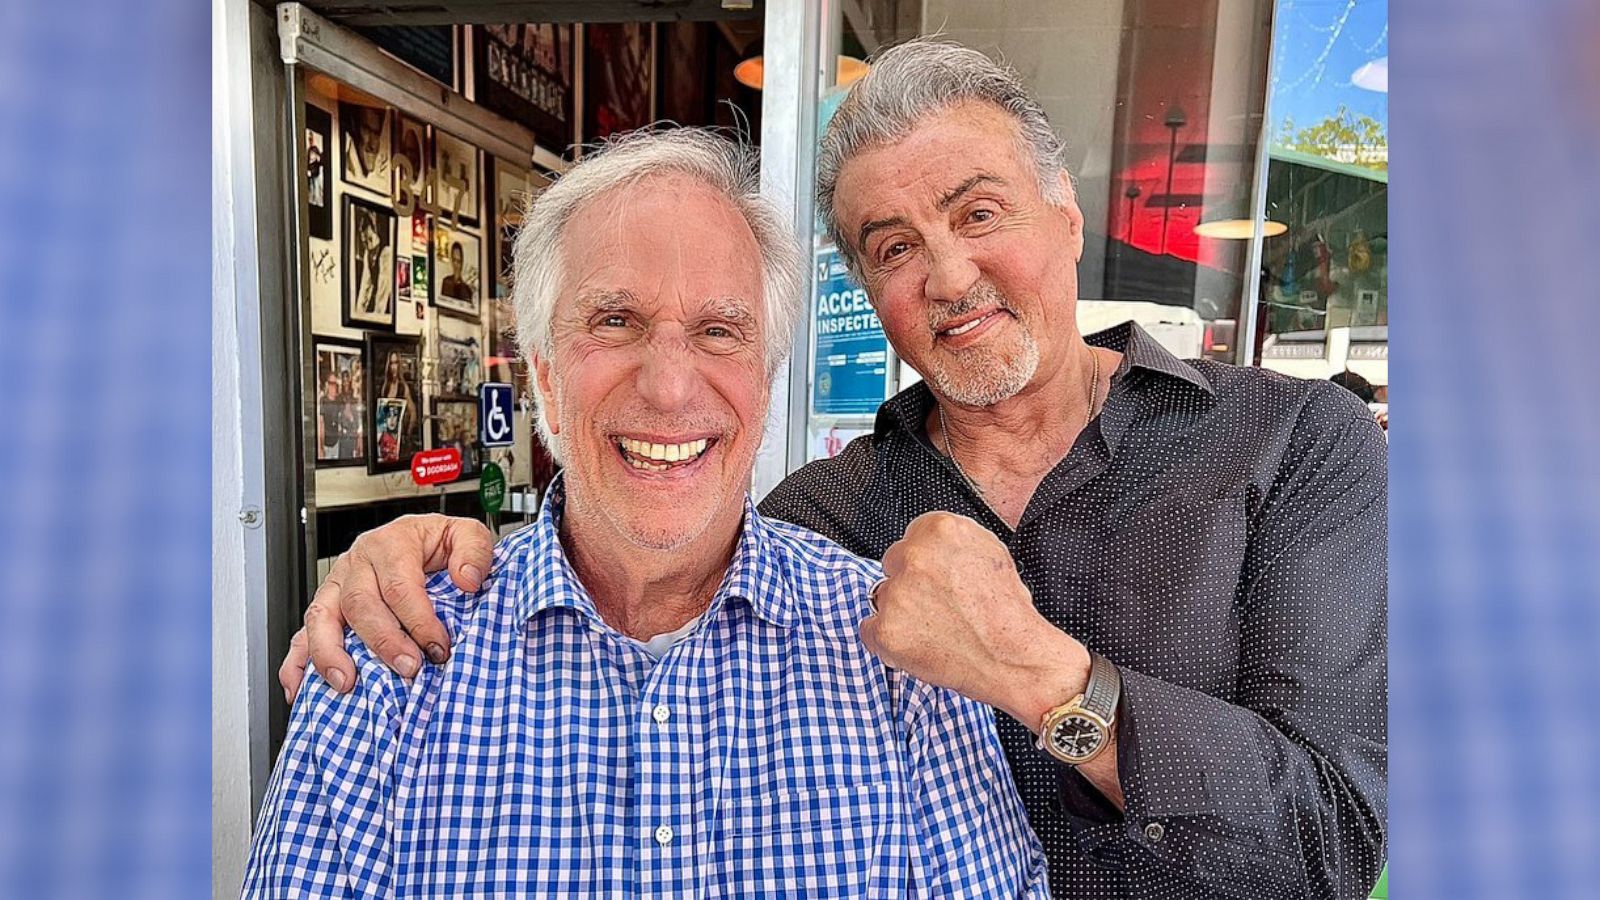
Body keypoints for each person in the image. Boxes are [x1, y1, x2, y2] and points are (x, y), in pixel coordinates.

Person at [284, 41, 1387, 899]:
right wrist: (415, 551)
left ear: (1065, 213)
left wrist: (1045, 680)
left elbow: (1331, 848)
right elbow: (648, 544)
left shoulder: (1292, 445)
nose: (948, 273)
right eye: (893, 246)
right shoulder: (827, 521)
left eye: (979, 212)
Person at [245, 129, 1049, 897]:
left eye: (718, 330)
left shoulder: (901, 662)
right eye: (615, 321)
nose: (669, 387)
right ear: (546, 374)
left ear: (764, 388)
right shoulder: (390, 669)